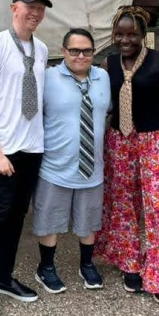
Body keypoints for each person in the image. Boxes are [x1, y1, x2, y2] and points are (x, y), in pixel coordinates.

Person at [94, 5, 159, 305]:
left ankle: (158, 274)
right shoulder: (109, 65)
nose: (125, 39)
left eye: (132, 34)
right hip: (120, 142)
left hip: (156, 141)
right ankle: (131, 263)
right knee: (123, 205)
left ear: (143, 35)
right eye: (119, 34)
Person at [0, 0, 52, 316]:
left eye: (41, 8)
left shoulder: (43, 49)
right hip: (5, 150)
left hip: (32, 147)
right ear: (14, 7)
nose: (35, 12)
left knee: (19, 215)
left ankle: (5, 278)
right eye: (29, 6)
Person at [33, 28, 111, 294]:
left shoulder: (103, 78)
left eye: (87, 51)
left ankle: (87, 265)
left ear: (93, 53)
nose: (81, 56)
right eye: (74, 50)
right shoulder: (48, 78)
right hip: (56, 166)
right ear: (64, 51)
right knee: (49, 219)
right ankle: (46, 267)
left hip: (92, 167)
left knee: (88, 221)